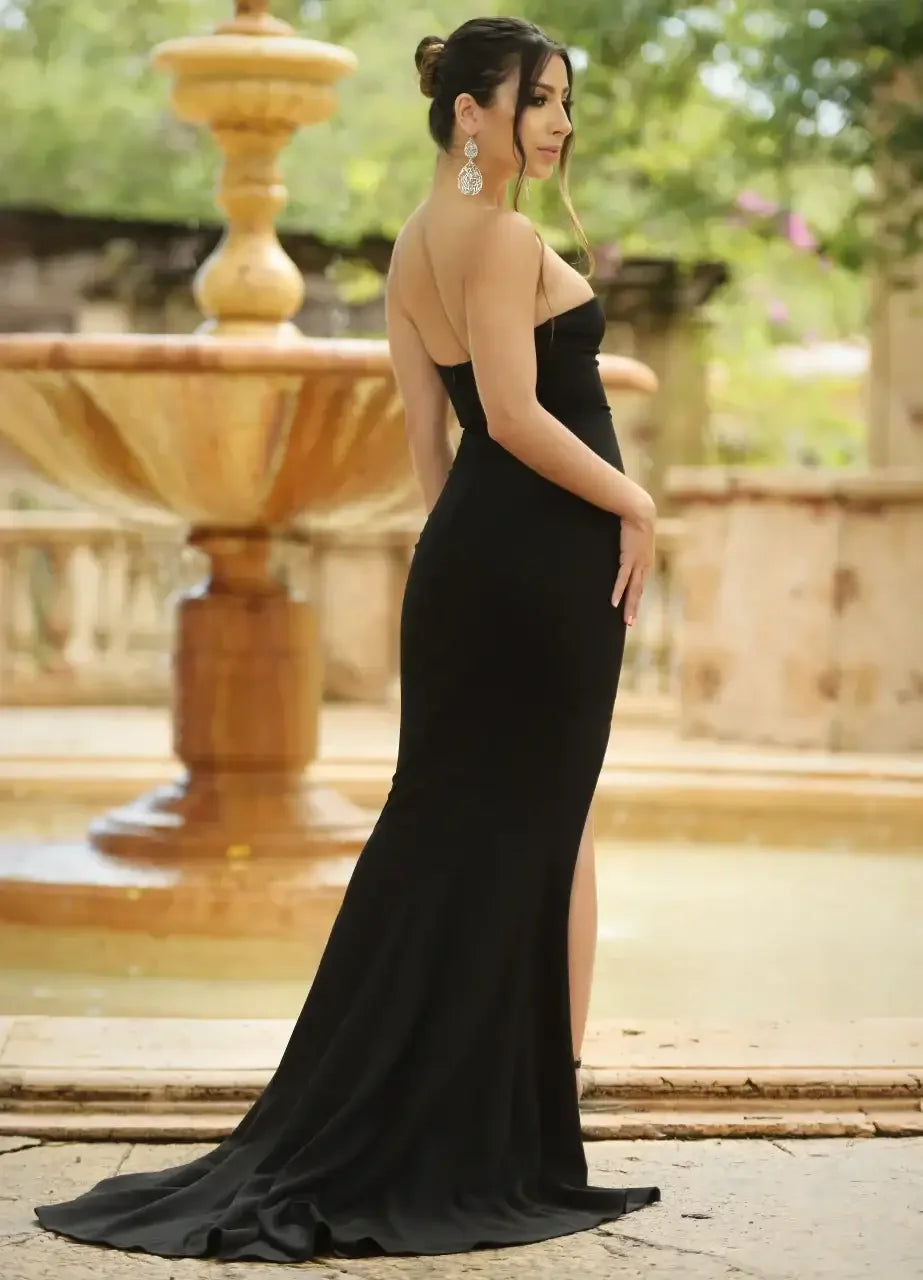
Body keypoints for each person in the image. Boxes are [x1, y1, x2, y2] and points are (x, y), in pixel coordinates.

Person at [33, 16, 661, 1262]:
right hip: (542, 560)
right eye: (536, 98)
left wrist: (470, 563)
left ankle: (498, 1113)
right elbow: (525, 416)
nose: (556, 121)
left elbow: (437, 450)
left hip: (480, 560)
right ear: (469, 113)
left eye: (562, 102)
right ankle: (533, 1131)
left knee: (458, 826)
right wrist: (630, 500)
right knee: (550, 827)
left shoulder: (413, 247)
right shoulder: (497, 235)